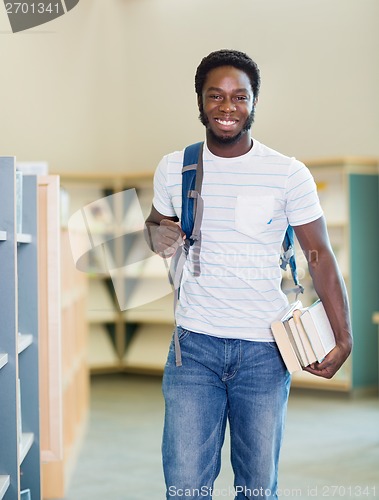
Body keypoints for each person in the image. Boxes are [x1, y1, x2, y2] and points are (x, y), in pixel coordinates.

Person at [144, 49, 352, 500]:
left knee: (258, 489)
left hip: (265, 352)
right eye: (215, 96)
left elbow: (319, 254)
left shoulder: (287, 173)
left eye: (240, 96)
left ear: (254, 102)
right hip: (193, 350)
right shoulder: (176, 167)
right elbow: (153, 225)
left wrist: (344, 337)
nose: (227, 107)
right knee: (184, 488)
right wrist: (157, 236)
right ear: (199, 101)